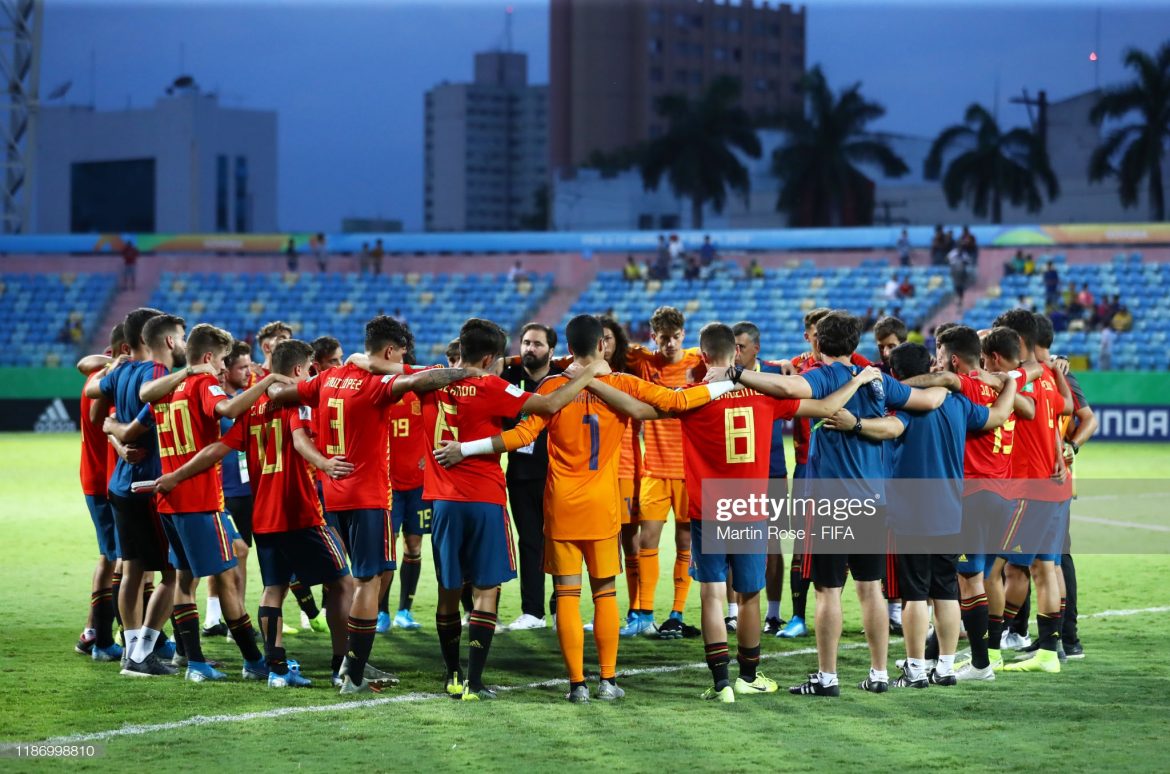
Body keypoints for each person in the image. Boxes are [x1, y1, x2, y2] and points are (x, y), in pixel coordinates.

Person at [436, 314, 729, 702]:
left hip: (561, 506)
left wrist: (465, 448)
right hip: (603, 506)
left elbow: (520, 436)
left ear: (568, 350)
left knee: (568, 595)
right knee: (605, 593)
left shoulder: (553, 387)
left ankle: (577, 685)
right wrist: (727, 382)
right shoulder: (621, 383)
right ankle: (607, 681)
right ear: (602, 347)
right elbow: (675, 401)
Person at [735, 311, 948, 696]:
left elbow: (784, 389)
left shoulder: (824, 376)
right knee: (872, 590)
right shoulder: (877, 379)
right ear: (855, 344)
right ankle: (879, 674)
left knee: (827, 591)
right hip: (873, 500)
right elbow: (929, 399)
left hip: (830, 501)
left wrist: (737, 374)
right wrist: (952, 380)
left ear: (817, 343)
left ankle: (828, 677)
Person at [268, 315, 475, 694]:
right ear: (391, 350)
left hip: (334, 493)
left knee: (345, 581)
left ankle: (345, 661)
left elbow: (281, 396)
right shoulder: (375, 383)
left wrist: (277, 387)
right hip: (369, 495)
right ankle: (354, 673)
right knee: (369, 580)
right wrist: (465, 373)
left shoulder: (328, 379)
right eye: (400, 353)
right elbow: (419, 380)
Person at [676, 323, 881, 702]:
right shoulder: (761, 394)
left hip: (708, 507)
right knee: (749, 594)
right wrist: (858, 379)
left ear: (704, 356)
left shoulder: (691, 396)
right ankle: (749, 676)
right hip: (750, 506)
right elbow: (824, 408)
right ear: (736, 355)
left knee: (711, 593)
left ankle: (721, 683)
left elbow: (642, 406)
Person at [418, 318, 606, 700]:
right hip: (484, 499)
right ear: (489, 357)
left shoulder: (428, 380)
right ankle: (474, 682)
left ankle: (452, 673)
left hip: (442, 501)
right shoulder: (491, 385)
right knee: (488, 590)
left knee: (449, 589)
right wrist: (589, 373)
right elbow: (551, 402)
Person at [154, 339, 357, 688]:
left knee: (273, 588)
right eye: (310, 369)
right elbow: (297, 439)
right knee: (343, 582)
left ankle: (275, 670)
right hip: (300, 509)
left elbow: (218, 448)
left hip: (263, 513)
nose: (313, 375)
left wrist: (175, 475)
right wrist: (324, 462)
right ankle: (344, 664)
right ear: (297, 370)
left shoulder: (253, 406)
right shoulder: (296, 401)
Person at [832, 342, 1015, 689]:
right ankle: (945, 667)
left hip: (911, 512)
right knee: (946, 591)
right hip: (951, 509)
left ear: (897, 375)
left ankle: (915, 669)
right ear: (929, 366)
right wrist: (1011, 385)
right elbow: (999, 417)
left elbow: (889, 429)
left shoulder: (903, 406)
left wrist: (854, 424)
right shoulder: (958, 403)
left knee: (915, 593)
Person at [132, 320, 287, 683]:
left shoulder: (165, 390)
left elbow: (145, 394)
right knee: (227, 580)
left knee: (184, 580)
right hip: (199, 501)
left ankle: (196, 662)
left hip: (170, 501)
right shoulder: (203, 384)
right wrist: (265, 383)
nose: (222, 368)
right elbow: (228, 412)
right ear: (207, 357)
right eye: (220, 361)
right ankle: (253, 660)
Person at [85, 307, 179, 677]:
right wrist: (123, 433)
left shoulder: (120, 370)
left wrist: (113, 425)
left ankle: (130, 652)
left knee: (133, 570)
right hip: (150, 483)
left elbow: (93, 390)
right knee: (175, 572)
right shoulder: (158, 374)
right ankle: (142, 653)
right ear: (157, 338)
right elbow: (142, 424)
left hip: (121, 483)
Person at [991, 309, 1072, 674]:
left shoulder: (1017, 379)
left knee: (996, 569)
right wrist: (1060, 455)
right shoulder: (1048, 379)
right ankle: (1050, 652)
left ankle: (989, 647)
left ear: (1017, 340)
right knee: (1046, 566)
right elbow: (1061, 413)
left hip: (1029, 488)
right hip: (1056, 486)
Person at [621, 307, 705, 639]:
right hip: (654, 470)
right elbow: (615, 349)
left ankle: (676, 613)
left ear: (683, 334)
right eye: (663, 338)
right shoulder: (644, 362)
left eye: (675, 337)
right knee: (647, 542)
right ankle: (642, 612)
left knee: (686, 542)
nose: (669, 343)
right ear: (654, 337)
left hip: (688, 470)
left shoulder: (698, 361)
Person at [499, 323, 563, 631]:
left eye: (537, 344)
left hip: (557, 474)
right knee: (530, 542)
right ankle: (533, 611)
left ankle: (560, 607)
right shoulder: (509, 378)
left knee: (560, 542)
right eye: (525, 343)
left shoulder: (563, 379)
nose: (529, 348)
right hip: (521, 475)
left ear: (551, 350)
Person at [732, 321, 791, 635]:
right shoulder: (724, 374)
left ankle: (773, 613)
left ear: (756, 347)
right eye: (733, 347)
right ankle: (732, 612)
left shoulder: (776, 373)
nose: (736, 352)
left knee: (773, 543)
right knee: (734, 540)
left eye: (741, 346)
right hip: (736, 473)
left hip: (772, 470)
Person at [76, 326, 125, 663]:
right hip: (108, 481)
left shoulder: (98, 372)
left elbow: (85, 362)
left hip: (94, 479)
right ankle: (110, 639)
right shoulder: (112, 380)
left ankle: (93, 631)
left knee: (108, 557)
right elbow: (106, 423)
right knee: (126, 559)